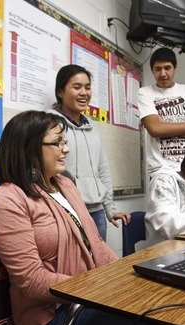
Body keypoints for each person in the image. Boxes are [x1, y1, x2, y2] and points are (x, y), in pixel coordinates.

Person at [0, 110, 159, 325]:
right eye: (57, 142)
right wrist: (98, 288)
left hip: (87, 297)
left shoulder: (65, 185)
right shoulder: (6, 199)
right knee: (148, 317)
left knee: (154, 301)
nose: (65, 149)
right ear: (29, 149)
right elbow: (30, 280)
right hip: (55, 314)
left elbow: (96, 243)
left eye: (64, 141)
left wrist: (124, 278)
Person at [48, 64, 130, 241]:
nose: (84, 93)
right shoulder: (50, 124)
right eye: (76, 87)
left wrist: (110, 209)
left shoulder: (92, 128)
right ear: (60, 92)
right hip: (67, 210)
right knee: (74, 267)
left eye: (87, 87)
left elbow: (103, 170)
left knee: (99, 265)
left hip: (97, 212)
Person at [137, 47, 185, 177]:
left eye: (167, 68)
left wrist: (164, 127)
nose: (163, 73)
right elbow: (154, 129)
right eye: (158, 69)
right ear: (152, 70)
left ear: (175, 68)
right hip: (160, 170)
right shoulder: (145, 93)